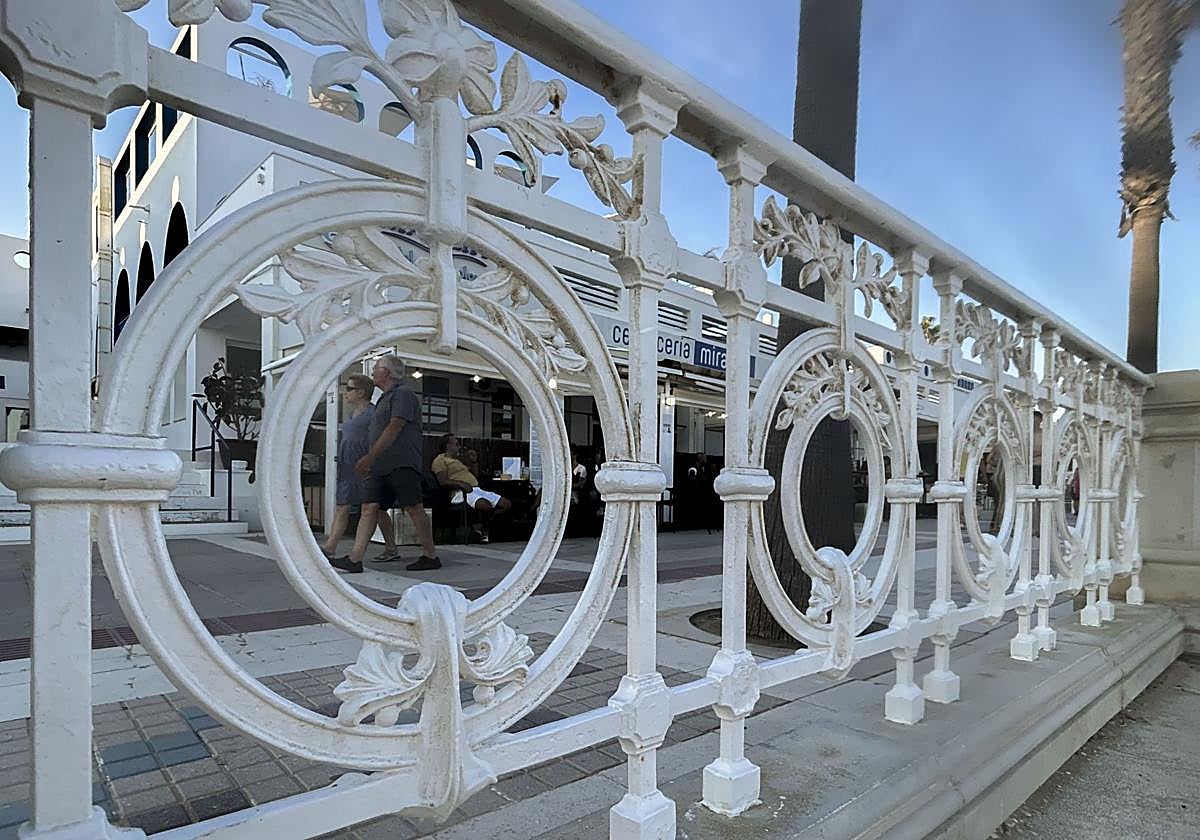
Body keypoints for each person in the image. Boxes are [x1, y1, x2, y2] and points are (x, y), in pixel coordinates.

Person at [330, 354, 439, 573]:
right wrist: (372, 459)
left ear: (386, 373)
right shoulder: (384, 399)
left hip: (401, 462)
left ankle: (430, 555)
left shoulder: (403, 394)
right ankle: (355, 559)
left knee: (413, 508)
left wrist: (369, 457)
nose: (372, 372)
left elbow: (395, 426)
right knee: (369, 507)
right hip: (381, 465)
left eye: (376, 368)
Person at [322, 373, 398, 562]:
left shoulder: (373, 414)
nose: (345, 392)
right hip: (348, 467)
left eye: (349, 389)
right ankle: (330, 547)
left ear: (361, 392)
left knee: (375, 509)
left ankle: (390, 547)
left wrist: (373, 461)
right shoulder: (350, 415)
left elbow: (380, 439)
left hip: (365, 467)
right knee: (342, 506)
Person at [431, 433, 511, 542]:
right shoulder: (440, 460)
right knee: (485, 505)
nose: (459, 447)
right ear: (448, 446)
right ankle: (483, 530)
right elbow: (443, 481)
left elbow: (475, 475)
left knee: (506, 504)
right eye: (457, 444)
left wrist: (474, 462)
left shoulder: (457, 461)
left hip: (476, 489)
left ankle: (483, 526)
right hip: (460, 492)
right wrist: (461, 484)